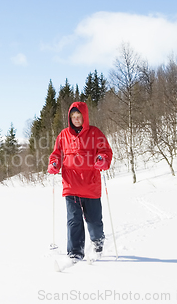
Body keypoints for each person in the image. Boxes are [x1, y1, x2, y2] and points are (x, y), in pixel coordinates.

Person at [48, 101, 112, 261]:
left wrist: (102, 159)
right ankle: (75, 253)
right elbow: (56, 153)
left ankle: (98, 242)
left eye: (79, 116)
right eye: (73, 117)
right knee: (73, 220)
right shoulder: (63, 135)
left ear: (85, 117)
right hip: (71, 185)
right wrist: (54, 163)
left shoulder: (95, 133)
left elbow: (105, 151)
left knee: (94, 222)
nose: (76, 119)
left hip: (90, 186)